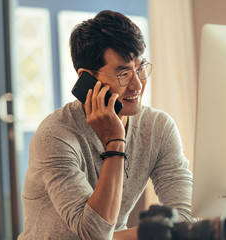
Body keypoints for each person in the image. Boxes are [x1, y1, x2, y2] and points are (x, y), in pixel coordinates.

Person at [18, 10, 195, 240]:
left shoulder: (158, 128)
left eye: (140, 69)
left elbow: (185, 216)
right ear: (87, 78)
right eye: (123, 74)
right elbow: (94, 234)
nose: (137, 85)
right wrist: (115, 143)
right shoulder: (55, 136)